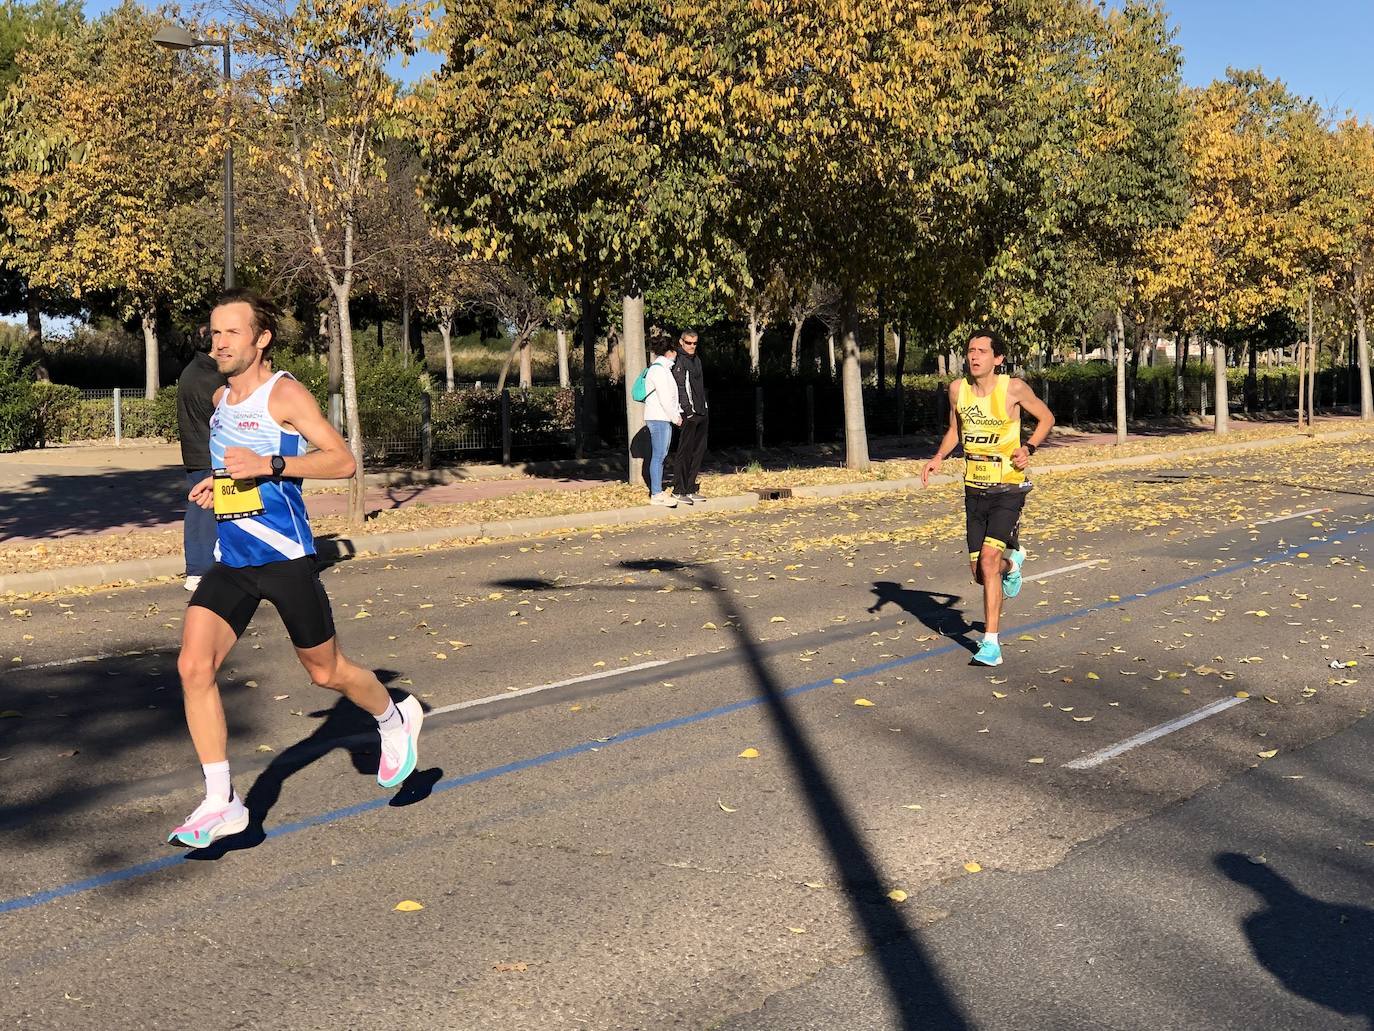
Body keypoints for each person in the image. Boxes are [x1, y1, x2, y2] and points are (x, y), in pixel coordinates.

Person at [168, 288, 423, 847]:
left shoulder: (282, 394)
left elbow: (343, 460)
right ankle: (222, 801)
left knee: (325, 672)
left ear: (261, 339)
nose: (219, 342)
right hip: (232, 560)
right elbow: (241, 481)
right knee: (193, 667)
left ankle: (393, 716)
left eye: (231, 332)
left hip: (284, 558)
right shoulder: (218, 402)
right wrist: (221, 486)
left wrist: (273, 463)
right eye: (214, 331)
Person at [921, 330, 1055, 667]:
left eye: (982, 351)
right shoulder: (958, 390)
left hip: (1008, 488)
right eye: (970, 350)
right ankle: (1014, 564)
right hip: (974, 489)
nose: (974, 356)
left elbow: (1046, 418)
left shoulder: (1013, 388)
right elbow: (955, 430)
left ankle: (990, 644)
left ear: (998, 359)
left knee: (988, 561)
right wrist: (938, 457)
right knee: (980, 572)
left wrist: (1029, 448)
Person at [176, 325, 225, 591]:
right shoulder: (212, 378)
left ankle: (197, 569)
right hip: (210, 453)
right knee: (207, 510)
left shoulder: (191, 371)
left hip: (195, 452)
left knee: (197, 511)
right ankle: (201, 569)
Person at [642, 335, 682, 507]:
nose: (676, 355)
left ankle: (658, 491)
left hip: (662, 417)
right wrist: (675, 416)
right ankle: (656, 493)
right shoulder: (659, 370)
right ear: (669, 352)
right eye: (675, 351)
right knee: (659, 456)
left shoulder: (662, 369)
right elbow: (665, 397)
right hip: (659, 417)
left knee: (661, 455)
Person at [670, 330, 709, 504]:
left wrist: (704, 408)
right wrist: (688, 410)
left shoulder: (697, 360)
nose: (691, 346)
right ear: (681, 342)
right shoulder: (679, 360)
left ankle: (691, 487)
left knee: (698, 451)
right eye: (688, 343)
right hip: (689, 414)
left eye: (694, 343)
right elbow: (680, 388)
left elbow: (699, 386)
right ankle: (679, 490)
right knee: (684, 452)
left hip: (702, 412)